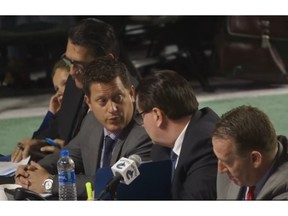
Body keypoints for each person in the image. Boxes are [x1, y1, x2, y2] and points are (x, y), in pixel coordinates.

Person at [15, 58, 153, 200]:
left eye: (118, 97)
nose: (112, 109)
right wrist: (33, 170)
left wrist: (49, 182)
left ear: (131, 94)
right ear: (89, 103)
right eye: (102, 101)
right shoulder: (91, 122)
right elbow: (70, 155)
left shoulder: (145, 133)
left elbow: (114, 184)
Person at [10, 18, 120, 163]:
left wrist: (66, 157)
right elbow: (57, 129)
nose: (72, 72)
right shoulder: (75, 83)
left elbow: (108, 168)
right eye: (69, 62)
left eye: (80, 65)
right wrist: (39, 143)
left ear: (107, 61)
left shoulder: (124, 102)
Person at [135, 69, 219, 199]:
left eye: (141, 116)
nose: (142, 124)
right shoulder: (161, 148)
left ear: (157, 115)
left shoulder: (207, 144)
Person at [213, 105, 288, 200]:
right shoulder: (229, 171)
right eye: (218, 158)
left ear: (255, 159)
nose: (220, 169)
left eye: (227, 162)